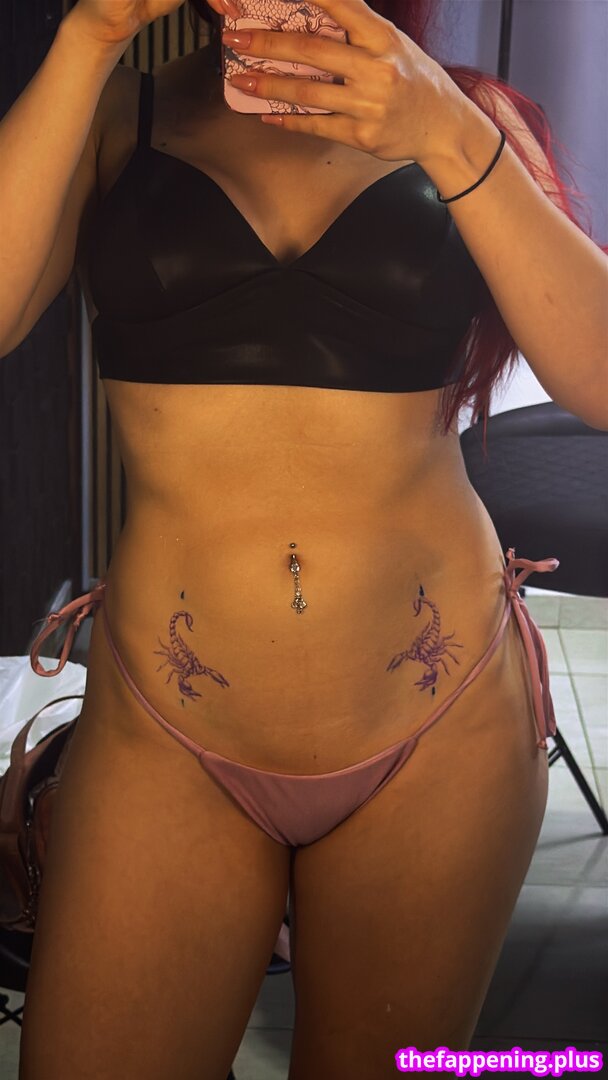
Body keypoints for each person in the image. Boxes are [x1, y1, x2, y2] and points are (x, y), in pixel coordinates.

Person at [2, 0, 606, 1076]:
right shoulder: (115, 114)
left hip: (438, 726)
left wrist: (444, 132)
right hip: (166, 730)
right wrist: (90, 34)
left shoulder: (467, 115)